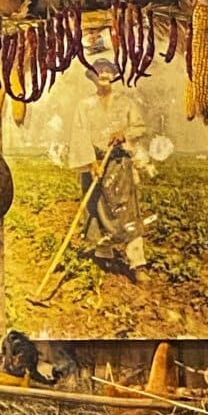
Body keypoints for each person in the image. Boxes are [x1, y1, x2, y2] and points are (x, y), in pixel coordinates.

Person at [70, 64, 150, 275]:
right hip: (94, 163)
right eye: (98, 70)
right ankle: (104, 257)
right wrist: (90, 163)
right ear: (93, 78)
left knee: (127, 211)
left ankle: (137, 262)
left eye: (108, 71)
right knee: (97, 210)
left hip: (119, 164)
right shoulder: (84, 106)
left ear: (114, 76)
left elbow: (140, 127)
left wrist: (124, 134)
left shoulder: (126, 103)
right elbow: (80, 136)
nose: (104, 74)